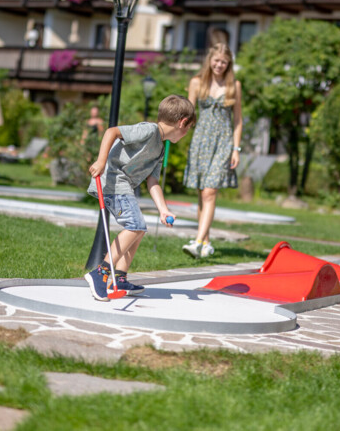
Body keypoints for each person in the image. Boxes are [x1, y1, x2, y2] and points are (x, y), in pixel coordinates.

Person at [85, 95, 197, 301]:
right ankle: (100, 274)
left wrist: (163, 209)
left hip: (123, 185)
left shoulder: (160, 148)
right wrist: (101, 161)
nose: (186, 133)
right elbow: (112, 131)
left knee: (139, 228)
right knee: (136, 226)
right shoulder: (149, 130)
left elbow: (152, 181)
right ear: (183, 123)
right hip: (111, 181)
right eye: (188, 128)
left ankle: (119, 277)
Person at [182, 42, 243, 258]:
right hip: (201, 140)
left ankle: (197, 241)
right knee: (202, 192)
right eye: (216, 61)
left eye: (224, 62)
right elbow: (188, 113)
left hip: (224, 141)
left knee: (210, 191)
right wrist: (176, 131)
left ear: (229, 64)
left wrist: (236, 148)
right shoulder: (197, 82)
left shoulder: (234, 85)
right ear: (210, 60)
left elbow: (237, 120)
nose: (219, 65)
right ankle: (206, 243)